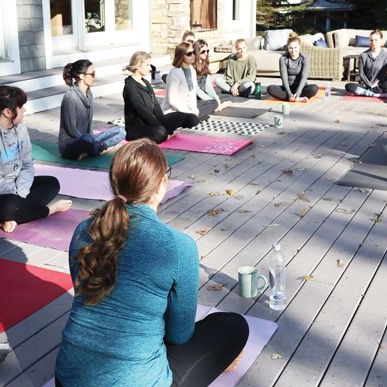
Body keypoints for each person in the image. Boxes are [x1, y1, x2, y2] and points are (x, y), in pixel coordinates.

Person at [54, 139, 249, 386]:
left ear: (115, 183)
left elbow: (86, 292)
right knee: (233, 325)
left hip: (67, 378)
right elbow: (179, 336)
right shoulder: (178, 245)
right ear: (161, 184)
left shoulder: (84, 230)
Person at [0, 85, 72, 233]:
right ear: (8, 112)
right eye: (21, 106)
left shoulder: (20, 129)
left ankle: (8, 216)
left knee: (51, 184)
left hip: (12, 190)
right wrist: (17, 200)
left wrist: (21, 193)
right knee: (9, 205)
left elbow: (27, 165)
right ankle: (45, 210)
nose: (24, 110)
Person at [122, 51, 199, 143]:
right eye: (147, 65)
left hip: (152, 123)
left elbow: (156, 107)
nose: (150, 68)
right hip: (137, 129)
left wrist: (163, 122)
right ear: (138, 66)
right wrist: (161, 126)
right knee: (160, 132)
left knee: (191, 119)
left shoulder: (145, 82)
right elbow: (143, 111)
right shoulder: (130, 86)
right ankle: (164, 133)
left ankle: (165, 133)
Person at [59, 59, 125, 160]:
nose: (95, 77)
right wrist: (90, 141)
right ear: (81, 76)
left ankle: (94, 149)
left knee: (120, 131)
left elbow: (89, 126)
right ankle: (98, 149)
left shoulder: (89, 94)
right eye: (92, 74)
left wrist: (93, 140)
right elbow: (71, 130)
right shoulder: (70, 97)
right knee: (87, 139)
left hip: (88, 140)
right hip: (70, 144)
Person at [163, 42, 218, 121]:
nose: (193, 55)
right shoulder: (174, 72)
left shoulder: (192, 70)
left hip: (188, 107)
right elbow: (172, 101)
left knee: (213, 102)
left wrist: (194, 109)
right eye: (189, 54)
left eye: (193, 52)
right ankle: (195, 117)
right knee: (193, 119)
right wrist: (189, 112)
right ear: (181, 56)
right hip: (176, 110)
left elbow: (192, 95)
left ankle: (196, 116)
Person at [267, 33, 319, 102]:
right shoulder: (283, 59)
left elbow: (304, 77)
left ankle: (295, 97)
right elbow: (284, 78)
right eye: (291, 48)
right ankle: (296, 98)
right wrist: (289, 94)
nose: (293, 50)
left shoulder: (305, 58)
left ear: (299, 47)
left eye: (295, 47)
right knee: (270, 88)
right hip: (287, 89)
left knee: (314, 88)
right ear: (287, 48)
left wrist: (298, 92)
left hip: (301, 88)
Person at [344, 29, 387, 97]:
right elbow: (361, 73)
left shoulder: (386, 56)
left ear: (381, 40)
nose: (373, 42)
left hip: (377, 85)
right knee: (348, 86)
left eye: (376, 40)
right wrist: (369, 85)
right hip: (364, 84)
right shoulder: (363, 55)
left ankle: (365, 92)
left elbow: (383, 74)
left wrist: (375, 84)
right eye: (371, 40)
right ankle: (374, 94)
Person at [193, 39, 232, 112]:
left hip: (205, 95)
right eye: (203, 51)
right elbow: (196, 90)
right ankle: (217, 106)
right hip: (195, 97)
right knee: (213, 102)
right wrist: (212, 100)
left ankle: (217, 106)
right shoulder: (192, 67)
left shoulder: (204, 64)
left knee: (228, 97)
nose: (206, 53)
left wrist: (216, 99)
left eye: (207, 51)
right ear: (197, 52)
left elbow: (208, 87)